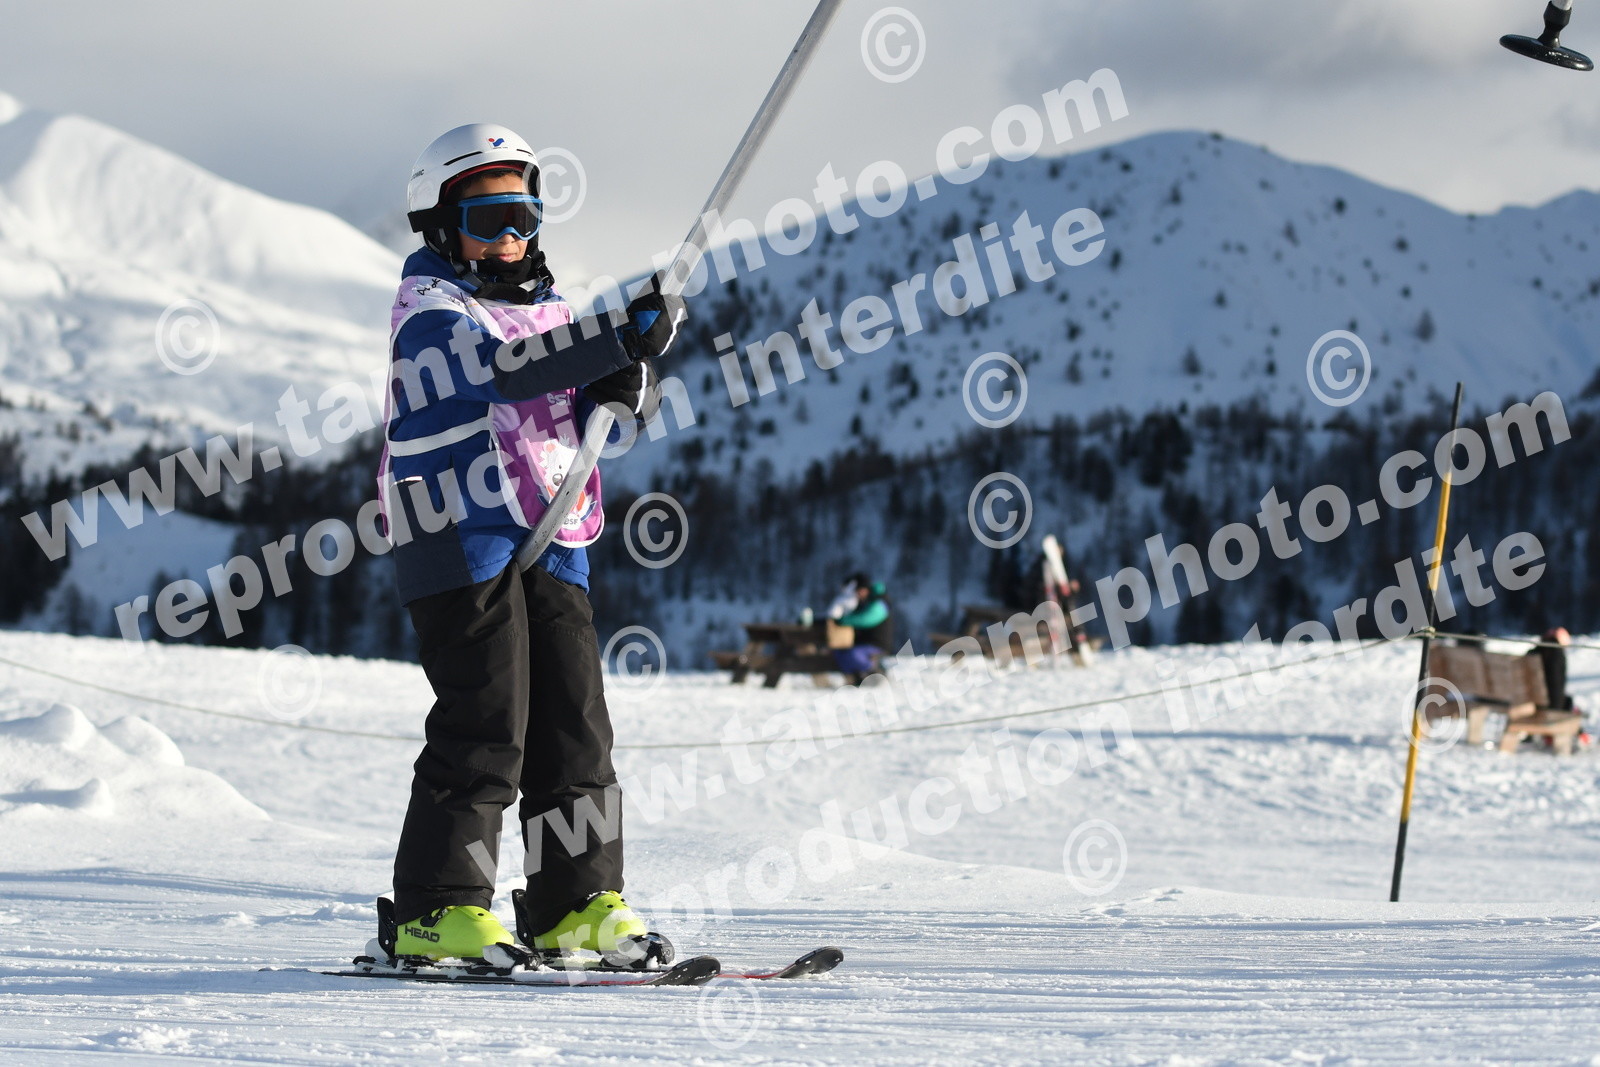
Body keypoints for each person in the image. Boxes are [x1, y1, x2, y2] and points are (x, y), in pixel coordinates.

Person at [376, 124, 684, 962]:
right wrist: (614, 336)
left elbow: (571, 406)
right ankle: (438, 908)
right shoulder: (429, 314)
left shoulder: (548, 311)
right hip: (456, 530)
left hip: (552, 526)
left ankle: (572, 902)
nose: (511, 234)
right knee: (488, 719)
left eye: (525, 213)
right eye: (489, 217)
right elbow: (506, 370)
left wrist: (623, 385)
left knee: (575, 723)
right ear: (441, 227)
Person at [832, 576, 893, 679]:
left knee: (853, 655)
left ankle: (875, 670)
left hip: (877, 644)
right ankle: (857, 677)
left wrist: (844, 621)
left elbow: (866, 619)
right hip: (862, 643)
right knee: (840, 654)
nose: (857, 594)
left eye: (859, 591)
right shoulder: (865, 603)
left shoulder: (880, 603)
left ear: (865, 589)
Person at [1529, 626, 1574, 710]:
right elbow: (1555, 684)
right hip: (1549, 704)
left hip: (1528, 700)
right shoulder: (1556, 655)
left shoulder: (1532, 654)